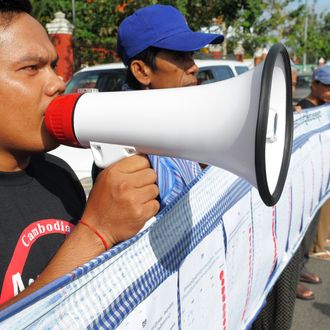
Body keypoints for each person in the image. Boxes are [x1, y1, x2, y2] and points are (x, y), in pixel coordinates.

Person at [0, 0, 160, 308]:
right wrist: (95, 232)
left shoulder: (57, 173)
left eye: (53, 66)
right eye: (31, 68)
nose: (58, 83)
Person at [93, 4, 224, 208]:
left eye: (191, 55)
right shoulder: (121, 146)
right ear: (142, 71)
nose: (194, 67)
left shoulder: (178, 120)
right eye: (179, 56)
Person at [295, 65, 330, 300]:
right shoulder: (302, 110)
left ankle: (302, 268)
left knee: (310, 232)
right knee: (299, 231)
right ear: (315, 85)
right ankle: (291, 281)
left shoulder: (326, 109)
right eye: (326, 86)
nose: (329, 91)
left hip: (321, 180)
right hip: (303, 184)